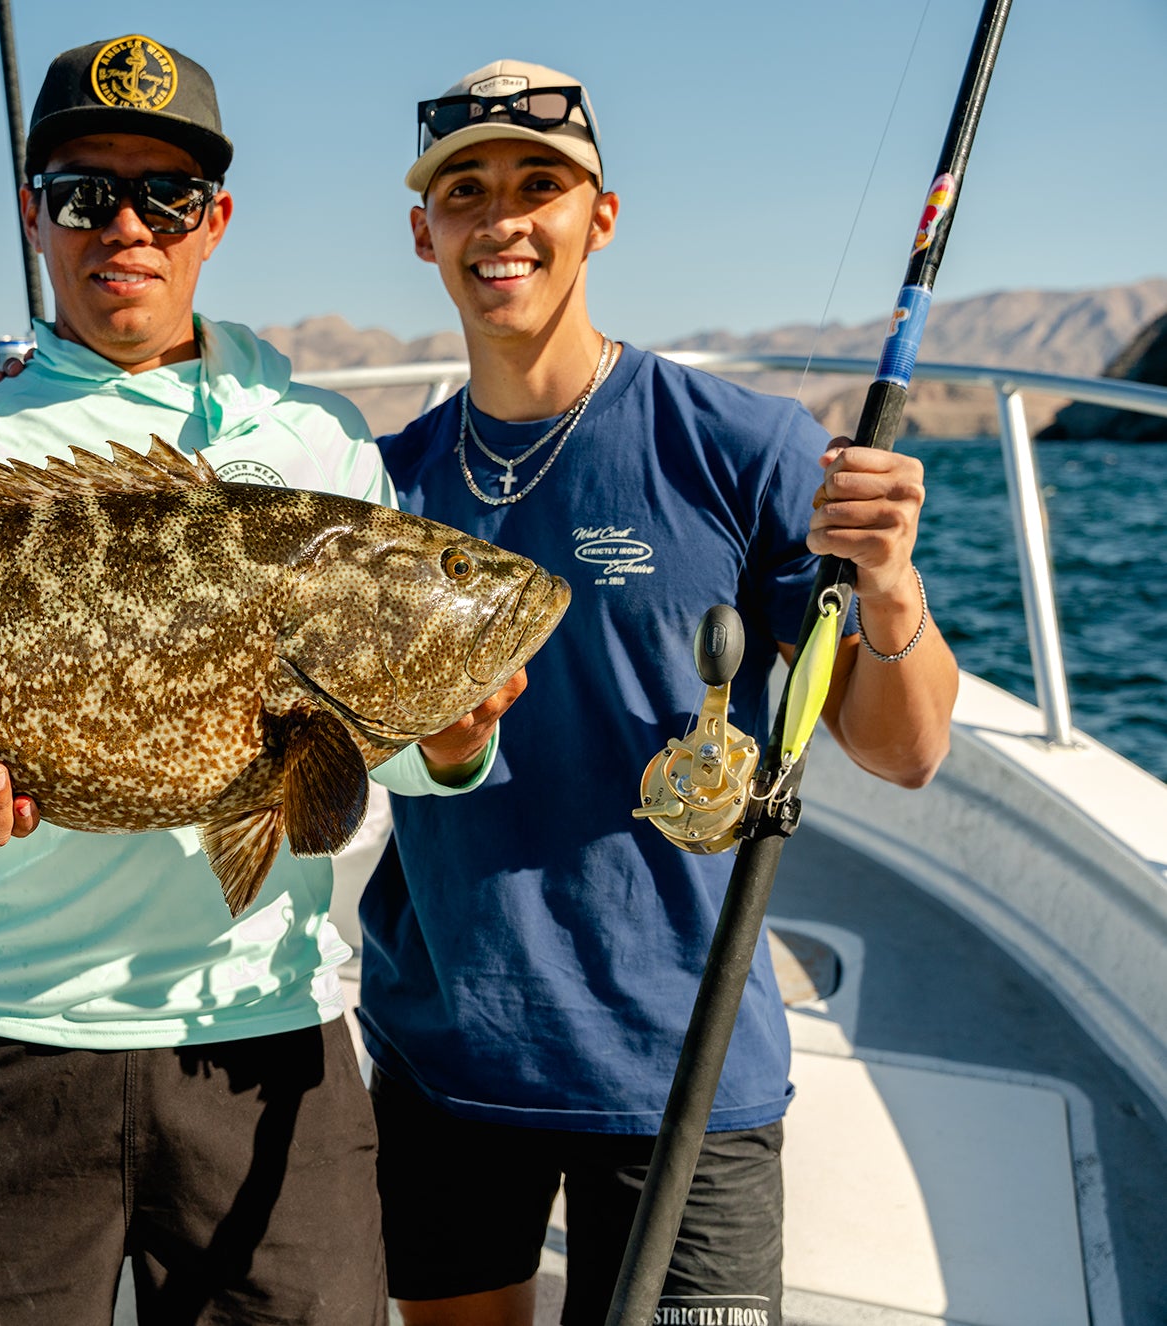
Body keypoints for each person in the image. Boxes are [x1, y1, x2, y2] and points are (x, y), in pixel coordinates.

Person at [0, 35, 513, 1325]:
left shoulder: (318, 438)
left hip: (265, 1043)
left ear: (213, 220)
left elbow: (361, 763)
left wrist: (447, 745)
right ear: (33, 215)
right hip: (4, 1039)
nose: (124, 225)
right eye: (81, 192)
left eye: (163, 194)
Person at [359, 60, 960, 1326]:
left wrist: (892, 591)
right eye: (464, 191)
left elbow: (899, 753)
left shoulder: (744, 447)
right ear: (424, 232)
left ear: (602, 216)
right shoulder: (383, 488)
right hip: (446, 1061)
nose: (501, 219)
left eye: (540, 185)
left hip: (688, 1072)